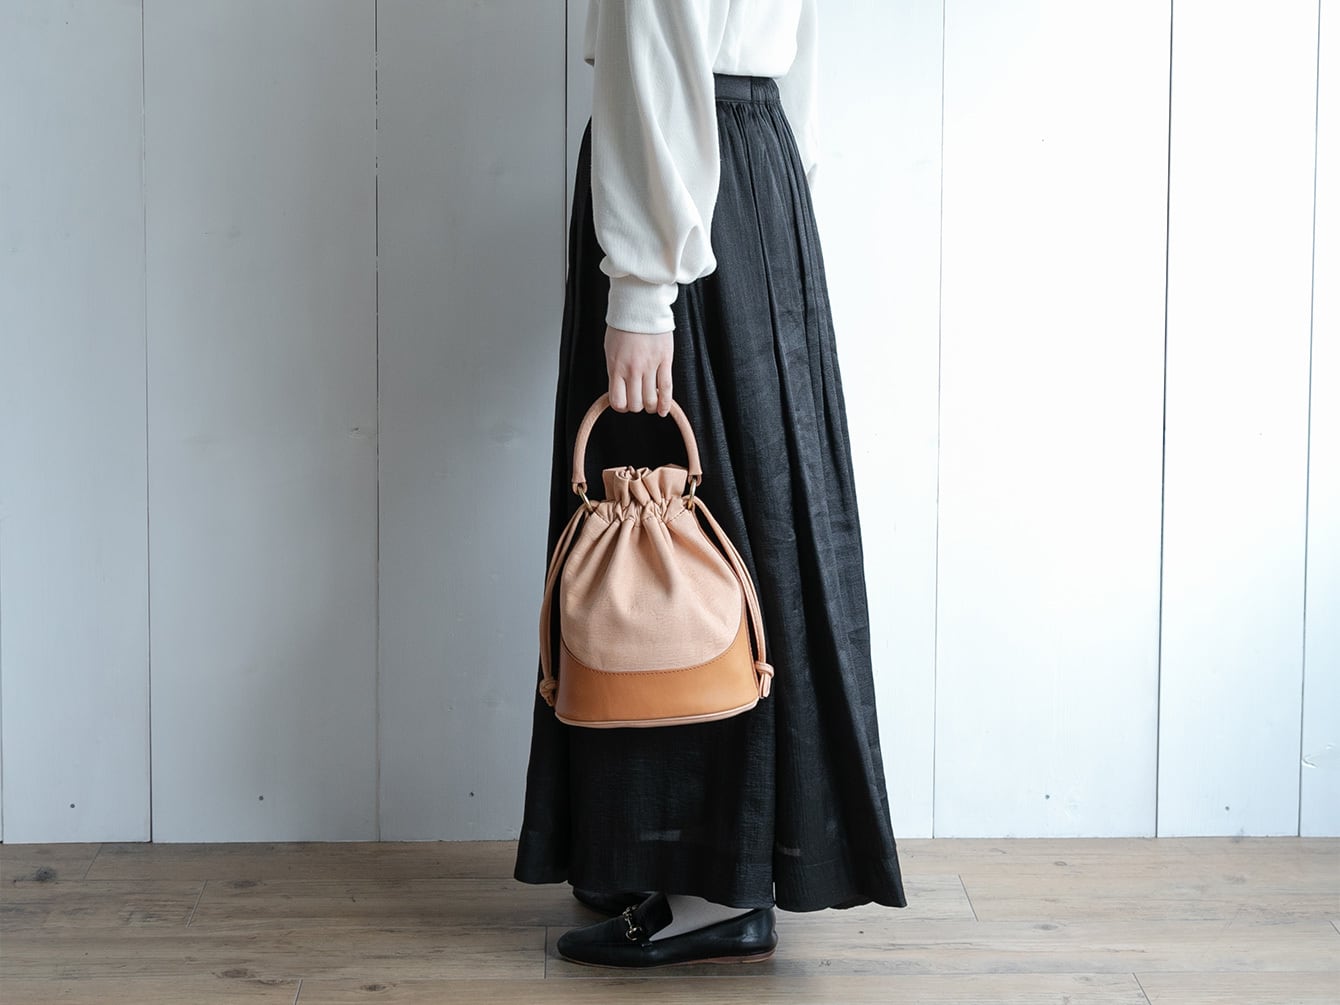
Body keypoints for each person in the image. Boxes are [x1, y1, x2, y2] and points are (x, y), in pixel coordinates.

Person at [515, 0, 908, 968]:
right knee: (744, 521)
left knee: (672, 530)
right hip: (748, 174)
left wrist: (645, 285)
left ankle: (700, 885)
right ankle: (681, 859)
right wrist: (770, 200)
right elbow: (792, 51)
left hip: (687, 189)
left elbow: (654, 39)